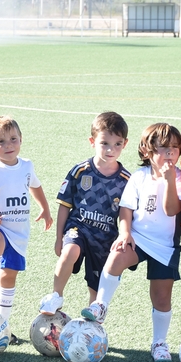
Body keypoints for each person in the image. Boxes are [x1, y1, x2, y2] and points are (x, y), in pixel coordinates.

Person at [81, 123, 181, 362]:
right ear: (147, 151)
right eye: (163, 149)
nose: (169, 154)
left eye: (174, 148)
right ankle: (100, 305)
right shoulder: (139, 176)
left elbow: (171, 210)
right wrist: (124, 233)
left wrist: (169, 180)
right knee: (117, 255)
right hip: (138, 237)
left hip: (164, 245)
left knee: (161, 296)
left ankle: (159, 342)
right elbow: (126, 209)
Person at [0, 116, 53, 342]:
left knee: (8, 277)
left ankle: (2, 326)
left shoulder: (26, 166)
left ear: (21, 140)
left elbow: (35, 185)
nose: (8, 146)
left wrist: (44, 208)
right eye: (1, 141)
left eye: (13, 139)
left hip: (18, 233)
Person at [39, 112, 130, 315]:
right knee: (69, 252)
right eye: (104, 143)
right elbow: (65, 205)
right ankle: (56, 296)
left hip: (105, 237)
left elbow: (127, 213)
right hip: (78, 227)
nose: (110, 149)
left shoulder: (126, 180)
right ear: (92, 141)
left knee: (96, 285)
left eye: (117, 144)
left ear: (125, 144)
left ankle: (93, 318)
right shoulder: (80, 171)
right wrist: (58, 238)